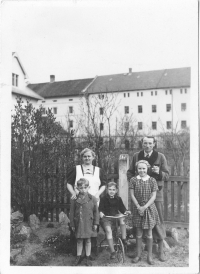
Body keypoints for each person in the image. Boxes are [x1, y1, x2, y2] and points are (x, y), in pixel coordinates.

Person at [127, 136, 169, 262]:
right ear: (142, 144)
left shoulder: (160, 156)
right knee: (138, 220)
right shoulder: (136, 156)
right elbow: (129, 172)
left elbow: (167, 176)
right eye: (145, 143)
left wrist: (159, 172)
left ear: (154, 144)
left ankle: (161, 251)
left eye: (150, 143)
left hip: (156, 194)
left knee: (158, 219)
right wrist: (136, 182)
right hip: (139, 195)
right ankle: (138, 251)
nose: (147, 145)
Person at [67, 148, 106, 257]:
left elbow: (104, 184)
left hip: (93, 201)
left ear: (93, 157)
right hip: (79, 202)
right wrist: (73, 193)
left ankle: (91, 253)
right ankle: (78, 253)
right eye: (85, 156)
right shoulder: (76, 169)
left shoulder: (99, 170)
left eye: (89, 156)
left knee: (93, 224)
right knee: (78, 224)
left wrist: (98, 194)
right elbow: (69, 183)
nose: (87, 158)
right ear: (82, 158)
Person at [129, 160, 161, 265]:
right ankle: (138, 255)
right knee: (138, 233)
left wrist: (145, 207)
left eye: (143, 168)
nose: (141, 170)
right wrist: (138, 206)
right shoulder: (133, 180)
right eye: (139, 168)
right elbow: (132, 195)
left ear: (147, 169)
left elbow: (153, 196)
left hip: (149, 209)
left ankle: (149, 256)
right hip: (137, 209)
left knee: (149, 233)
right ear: (136, 169)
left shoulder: (152, 180)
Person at [69, 178, 99, 266]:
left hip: (89, 223)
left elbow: (96, 212)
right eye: (81, 188)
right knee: (79, 240)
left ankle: (87, 256)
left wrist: (96, 223)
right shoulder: (74, 199)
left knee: (88, 240)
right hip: (79, 222)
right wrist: (72, 224)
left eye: (85, 187)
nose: (83, 190)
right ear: (77, 188)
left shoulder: (92, 198)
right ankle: (78, 256)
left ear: (88, 187)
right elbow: (72, 213)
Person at [99, 182, 131, 259]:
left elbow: (122, 209)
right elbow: (100, 209)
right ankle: (113, 251)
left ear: (116, 190)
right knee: (109, 231)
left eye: (113, 189)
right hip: (107, 218)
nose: (111, 191)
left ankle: (124, 239)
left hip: (115, 217)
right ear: (107, 190)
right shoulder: (103, 198)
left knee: (122, 218)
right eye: (110, 189)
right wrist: (101, 213)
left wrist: (126, 211)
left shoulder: (118, 198)